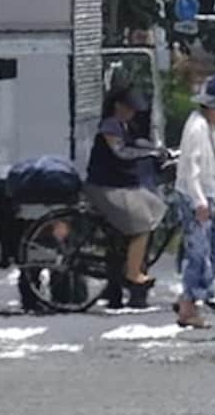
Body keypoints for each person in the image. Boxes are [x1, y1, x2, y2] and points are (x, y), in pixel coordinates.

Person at [84, 86, 169, 309]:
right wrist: (149, 153)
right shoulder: (110, 125)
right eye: (130, 108)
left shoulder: (124, 125)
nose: (133, 113)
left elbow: (136, 143)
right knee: (141, 224)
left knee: (155, 208)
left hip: (121, 185)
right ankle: (133, 273)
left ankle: (127, 271)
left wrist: (156, 149)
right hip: (105, 187)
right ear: (118, 106)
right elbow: (121, 152)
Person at [174, 76, 215, 328]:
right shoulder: (197, 128)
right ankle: (189, 307)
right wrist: (199, 201)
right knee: (198, 253)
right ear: (214, 105)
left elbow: (211, 158)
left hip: (208, 194)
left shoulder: (206, 127)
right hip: (198, 197)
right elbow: (191, 168)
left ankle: (190, 298)